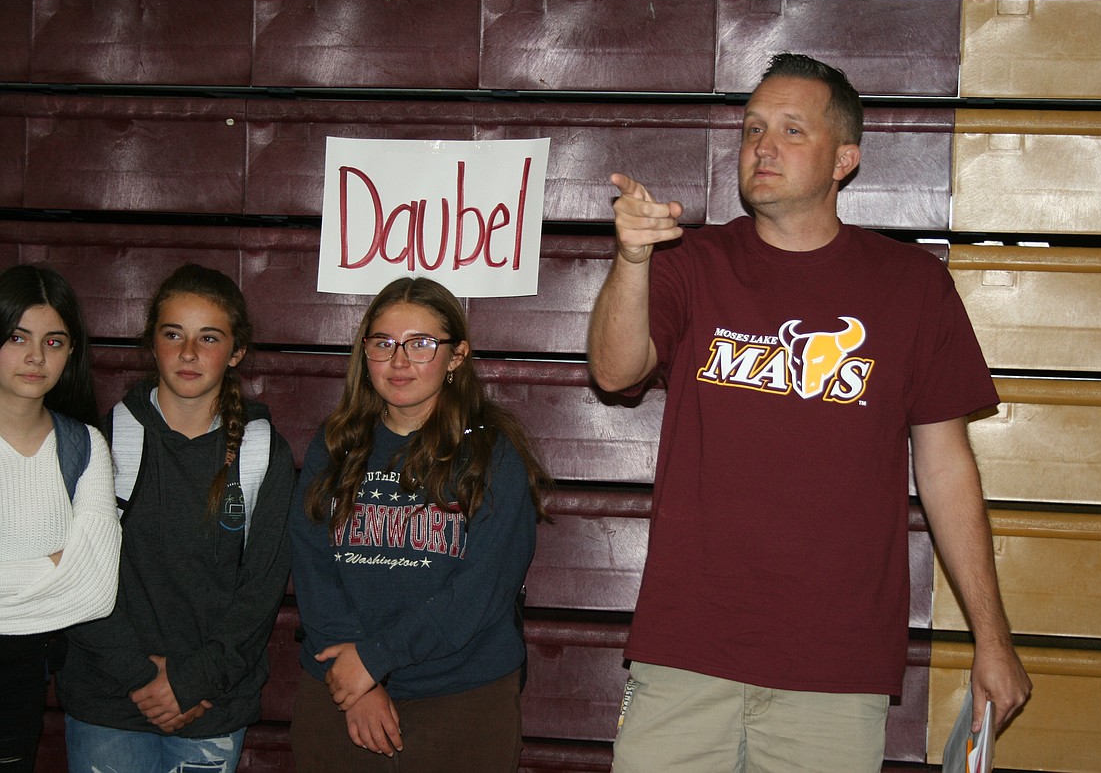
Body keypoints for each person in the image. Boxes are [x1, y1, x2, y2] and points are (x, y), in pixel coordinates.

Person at [587, 53, 1033, 772]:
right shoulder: (691, 264)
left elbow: (948, 468)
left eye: (792, 130)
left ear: (844, 160)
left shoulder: (912, 286)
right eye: (753, 128)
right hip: (687, 653)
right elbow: (614, 371)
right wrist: (633, 258)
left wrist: (992, 636)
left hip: (834, 669)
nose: (763, 146)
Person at [289, 276, 549, 773]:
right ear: (364, 353)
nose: (400, 360)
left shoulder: (493, 454)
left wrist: (377, 658)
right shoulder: (335, 444)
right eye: (383, 343)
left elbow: (482, 590)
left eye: (421, 344)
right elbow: (312, 565)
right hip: (340, 689)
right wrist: (360, 680)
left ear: (457, 357)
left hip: (460, 694)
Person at [56, 263, 295, 773]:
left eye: (208, 337)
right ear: (152, 344)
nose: (188, 353)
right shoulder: (101, 445)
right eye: (173, 334)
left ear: (236, 352)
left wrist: (192, 681)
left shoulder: (261, 454)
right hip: (110, 699)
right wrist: (141, 676)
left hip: (210, 702)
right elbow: (72, 576)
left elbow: (261, 591)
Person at [0, 265, 120, 773]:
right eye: (17, 337)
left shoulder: (85, 446)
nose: (35, 356)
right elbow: (72, 577)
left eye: (53, 341)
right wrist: (53, 565)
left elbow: (96, 590)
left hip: (19, 681)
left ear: (71, 351)